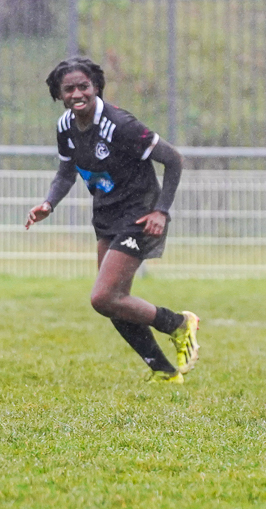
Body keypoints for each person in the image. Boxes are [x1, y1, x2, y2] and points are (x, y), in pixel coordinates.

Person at [25, 57, 200, 384]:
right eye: (69, 88)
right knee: (113, 303)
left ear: (95, 88)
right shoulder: (65, 126)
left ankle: (177, 324)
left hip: (142, 212)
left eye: (84, 86)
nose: (77, 93)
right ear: (59, 94)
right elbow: (66, 172)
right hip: (107, 213)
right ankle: (164, 372)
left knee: (103, 297)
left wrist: (162, 210)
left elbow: (174, 160)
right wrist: (49, 203)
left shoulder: (120, 124)